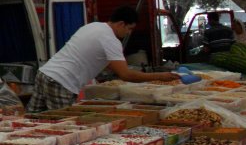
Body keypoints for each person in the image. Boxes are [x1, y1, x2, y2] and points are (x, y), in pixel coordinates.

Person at [27, 6, 180, 113]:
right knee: (63, 126)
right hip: (62, 82)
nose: (129, 33)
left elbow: (100, 61)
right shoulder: (110, 40)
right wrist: (160, 76)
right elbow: (126, 75)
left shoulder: (93, 26)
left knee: (32, 120)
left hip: (45, 74)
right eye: (129, 29)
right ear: (121, 24)